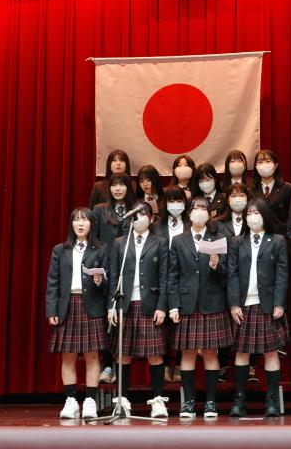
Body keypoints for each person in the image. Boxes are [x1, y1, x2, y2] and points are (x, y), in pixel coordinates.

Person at [167, 202, 232, 419]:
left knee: (211, 352)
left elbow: (226, 273)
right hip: (187, 303)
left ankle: (211, 402)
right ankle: (188, 403)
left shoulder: (218, 239)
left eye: (204, 208)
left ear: (208, 214)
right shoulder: (179, 240)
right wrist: (173, 305)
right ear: (189, 213)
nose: (199, 212)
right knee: (188, 353)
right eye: (196, 208)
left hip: (212, 302)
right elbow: (173, 275)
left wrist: (215, 265)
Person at [107, 201, 171, 418]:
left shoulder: (160, 242)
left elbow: (165, 277)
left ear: (151, 218)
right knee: (123, 355)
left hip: (150, 304)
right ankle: (122, 401)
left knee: (155, 354)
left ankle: (158, 401)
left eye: (143, 214)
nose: (139, 218)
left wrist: (162, 306)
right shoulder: (120, 243)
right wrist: (111, 306)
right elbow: (113, 277)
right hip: (125, 304)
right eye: (136, 214)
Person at [227, 197, 288, 418]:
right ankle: (239, 398)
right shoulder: (236, 242)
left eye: (257, 212)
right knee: (242, 352)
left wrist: (279, 303)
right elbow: (232, 275)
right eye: (249, 213)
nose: (252, 217)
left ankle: (271, 399)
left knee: (271, 352)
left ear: (265, 216)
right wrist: (234, 303)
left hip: (268, 304)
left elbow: (282, 274)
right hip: (244, 305)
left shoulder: (278, 240)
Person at [45, 207, 108, 421]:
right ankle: (71, 401)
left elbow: (108, 280)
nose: (80, 224)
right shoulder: (60, 250)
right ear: (71, 224)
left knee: (92, 355)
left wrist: (100, 281)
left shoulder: (101, 249)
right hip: (67, 305)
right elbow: (53, 282)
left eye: (84, 220)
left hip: (91, 305)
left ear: (91, 224)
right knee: (68, 355)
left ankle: (90, 400)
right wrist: (52, 309)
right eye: (76, 220)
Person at [92, 171, 134, 384]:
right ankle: (108, 365)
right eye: (114, 185)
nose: (117, 189)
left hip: (130, 268)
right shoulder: (100, 210)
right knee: (107, 317)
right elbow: (94, 240)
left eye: (122, 185)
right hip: (106, 269)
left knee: (125, 318)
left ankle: (121, 366)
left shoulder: (136, 209)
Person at [153, 187, 191, 384]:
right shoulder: (156, 227)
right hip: (160, 279)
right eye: (171, 201)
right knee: (164, 327)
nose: (175, 205)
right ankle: (167, 365)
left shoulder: (190, 224)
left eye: (179, 201)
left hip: (183, 280)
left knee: (181, 325)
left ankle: (178, 365)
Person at [250, 149, 291, 233]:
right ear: (255, 166)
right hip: (257, 234)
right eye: (260, 162)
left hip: (280, 236)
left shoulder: (287, 188)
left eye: (268, 161)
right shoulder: (250, 190)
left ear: (275, 165)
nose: (264, 165)